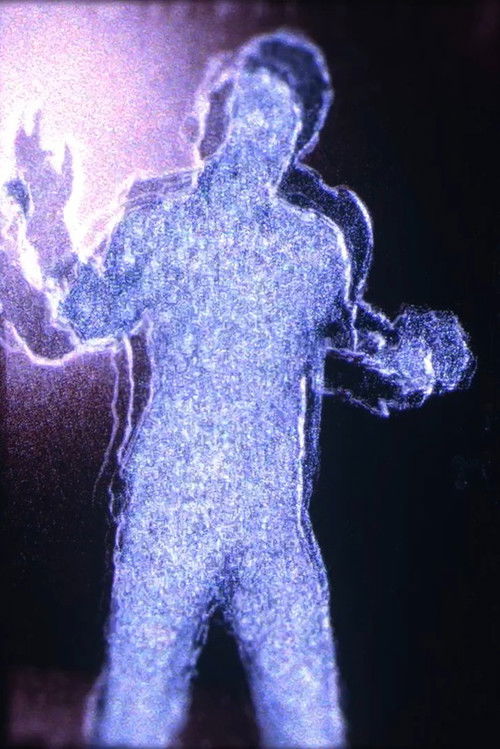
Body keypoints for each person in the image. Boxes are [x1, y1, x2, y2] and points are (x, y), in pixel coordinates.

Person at [19, 31, 473, 748]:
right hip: (169, 508)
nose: (261, 131)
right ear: (223, 116)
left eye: (282, 121)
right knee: (137, 707)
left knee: (309, 716)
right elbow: (86, 316)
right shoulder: (159, 228)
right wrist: (45, 219)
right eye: (252, 108)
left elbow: (356, 341)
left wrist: (423, 358)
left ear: (298, 142)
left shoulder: (316, 248)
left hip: (271, 521)